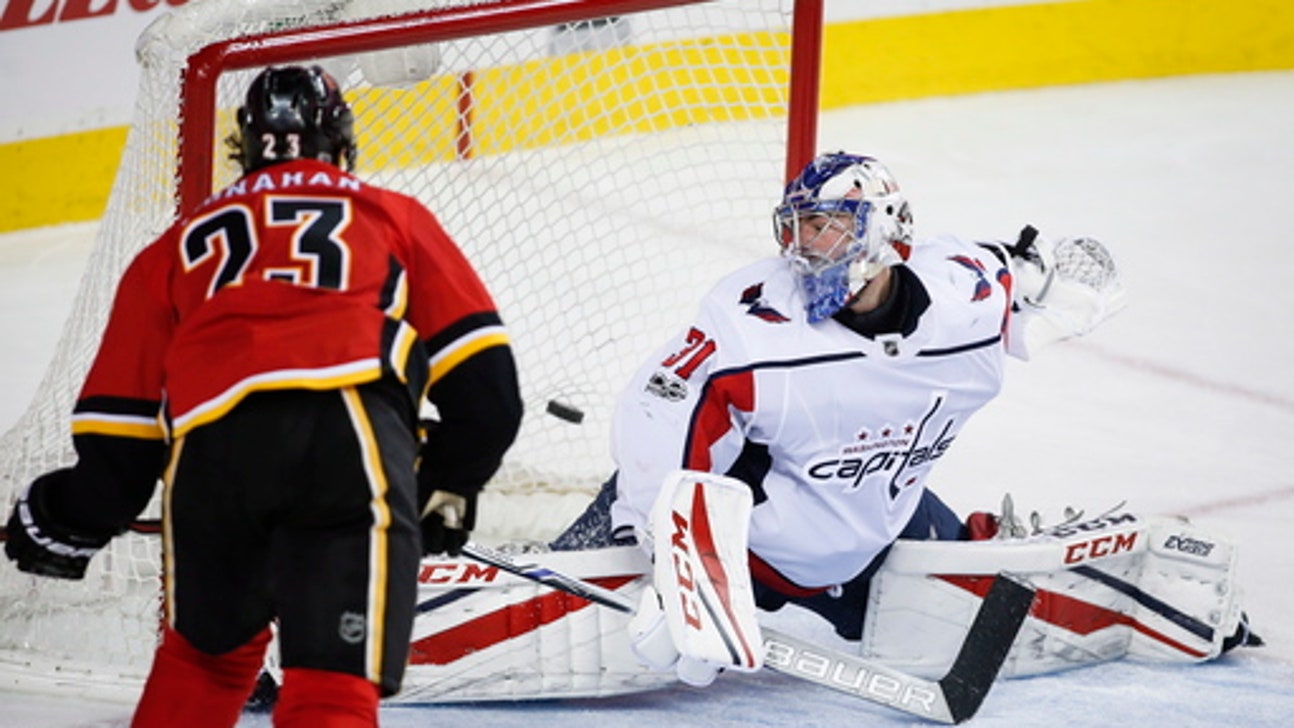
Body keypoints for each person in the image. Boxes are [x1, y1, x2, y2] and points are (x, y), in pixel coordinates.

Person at [3, 65, 522, 727]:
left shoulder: (168, 253)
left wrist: (56, 516)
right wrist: (446, 485)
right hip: (347, 436)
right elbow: (490, 398)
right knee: (330, 692)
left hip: (210, 460)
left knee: (205, 663)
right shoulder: (391, 216)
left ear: (243, 148)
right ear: (341, 141)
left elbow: (119, 460)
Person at [551, 151, 1134, 681]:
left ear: (885, 229)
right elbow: (659, 408)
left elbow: (1032, 275)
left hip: (870, 535)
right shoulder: (753, 324)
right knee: (577, 615)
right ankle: (574, 564)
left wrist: (1070, 285)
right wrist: (667, 558)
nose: (804, 244)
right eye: (797, 226)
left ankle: (1130, 600)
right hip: (741, 543)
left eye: (825, 225)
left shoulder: (966, 296)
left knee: (991, 622)